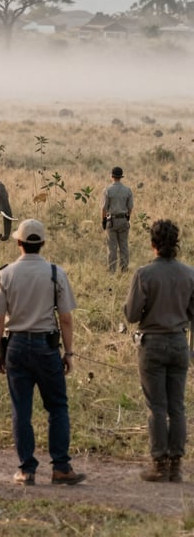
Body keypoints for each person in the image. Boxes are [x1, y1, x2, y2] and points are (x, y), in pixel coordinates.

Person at [0, 218, 86, 486]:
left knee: (22, 409)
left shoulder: (5, 274)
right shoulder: (56, 272)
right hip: (46, 347)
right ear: (42, 244)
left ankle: (26, 469)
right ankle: (61, 467)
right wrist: (69, 353)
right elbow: (65, 318)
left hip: (16, 346)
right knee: (57, 406)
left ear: (19, 243)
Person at [123, 219, 194, 483]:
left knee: (157, 406)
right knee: (177, 406)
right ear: (176, 243)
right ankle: (176, 465)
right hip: (178, 342)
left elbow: (131, 315)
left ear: (153, 244)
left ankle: (158, 463)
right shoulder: (189, 273)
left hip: (151, 343)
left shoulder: (144, 274)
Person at [101, 165, 134, 273]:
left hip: (112, 221)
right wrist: (127, 218)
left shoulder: (107, 190)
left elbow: (104, 208)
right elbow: (130, 207)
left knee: (112, 248)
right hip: (123, 220)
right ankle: (124, 269)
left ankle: (112, 271)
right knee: (124, 246)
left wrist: (104, 220)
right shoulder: (128, 190)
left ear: (112, 176)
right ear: (121, 177)